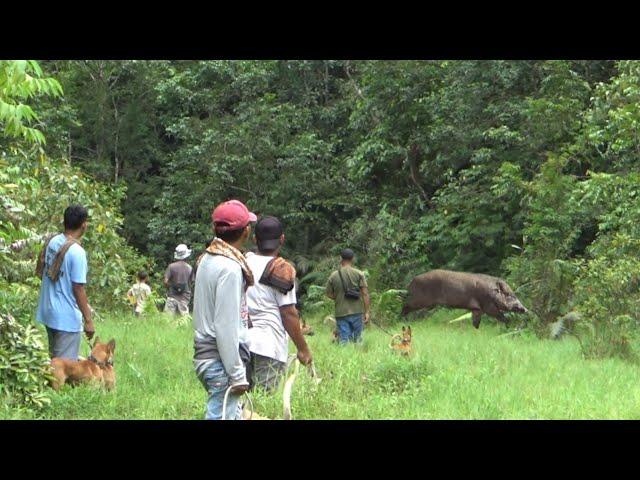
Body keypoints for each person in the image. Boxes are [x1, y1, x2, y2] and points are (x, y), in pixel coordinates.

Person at [192, 199, 256, 420]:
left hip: (206, 356)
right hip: (219, 360)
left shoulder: (206, 259)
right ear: (246, 231)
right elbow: (225, 326)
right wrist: (238, 374)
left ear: (214, 229)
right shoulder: (230, 268)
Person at [246, 216, 313, 392]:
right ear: (282, 239)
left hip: (241, 342)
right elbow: (288, 313)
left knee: (242, 403)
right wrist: (303, 349)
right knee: (263, 403)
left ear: (254, 239)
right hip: (268, 345)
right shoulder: (282, 269)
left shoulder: (243, 263)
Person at [35, 204, 95, 359]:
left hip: (48, 312)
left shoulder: (52, 241)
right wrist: (88, 320)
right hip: (66, 319)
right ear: (84, 225)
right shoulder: (77, 252)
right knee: (62, 372)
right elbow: (78, 288)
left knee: (53, 365)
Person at [325, 248, 371, 344]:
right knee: (358, 340)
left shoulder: (333, 276)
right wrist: (367, 312)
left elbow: (328, 294)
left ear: (341, 258)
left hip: (341, 313)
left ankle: (345, 358)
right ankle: (358, 358)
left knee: (344, 341)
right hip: (357, 312)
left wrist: (338, 297)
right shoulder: (359, 274)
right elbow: (365, 294)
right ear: (352, 259)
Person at [164, 244, 193, 316]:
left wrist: (172, 287)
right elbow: (191, 282)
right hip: (184, 297)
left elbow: (165, 281)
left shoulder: (171, 266)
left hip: (172, 295)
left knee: (168, 320)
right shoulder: (189, 268)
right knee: (183, 319)